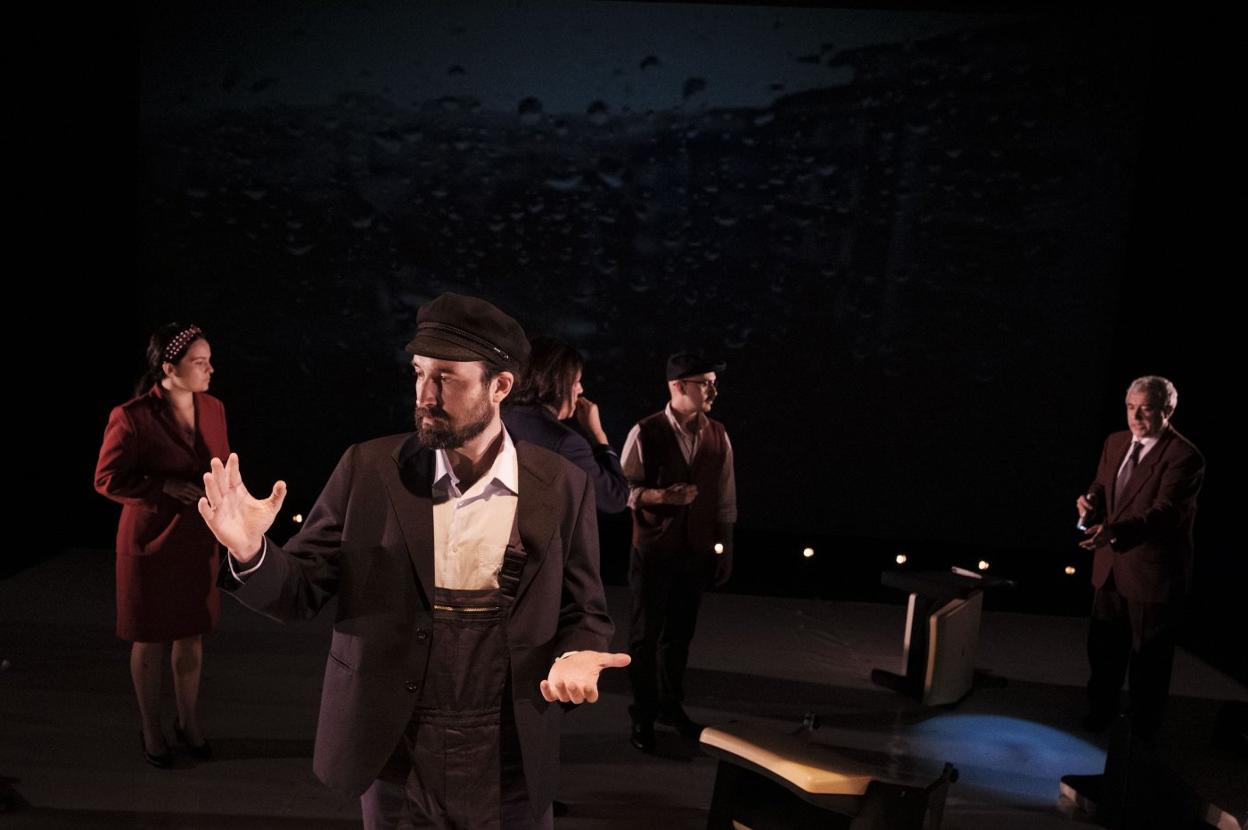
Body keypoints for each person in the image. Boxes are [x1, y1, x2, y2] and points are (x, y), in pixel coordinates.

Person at [199, 293, 628, 829]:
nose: (425, 395)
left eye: (446, 378)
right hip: (396, 752)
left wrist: (579, 653)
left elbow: (585, 610)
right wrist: (250, 551)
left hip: (511, 756)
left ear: (500, 386)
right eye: (419, 373)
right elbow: (299, 592)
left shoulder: (562, 485)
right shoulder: (368, 469)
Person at [94, 322, 227, 767]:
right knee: (149, 638)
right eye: (199, 362)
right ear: (169, 368)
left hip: (196, 540)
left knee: (191, 634)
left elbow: (223, 469)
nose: (210, 369)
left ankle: (188, 722)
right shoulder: (131, 416)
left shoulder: (214, 409)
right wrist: (162, 486)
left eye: (209, 361)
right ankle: (151, 727)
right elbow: (106, 479)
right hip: (149, 542)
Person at [1076, 375, 1204, 736]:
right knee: (1103, 648)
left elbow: (1164, 513)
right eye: (1131, 407)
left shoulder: (1184, 456)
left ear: (1168, 409)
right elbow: (1102, 484)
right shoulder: (1115, 442)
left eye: (1145, 409)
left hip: (1152, 572)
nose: (1135, 417)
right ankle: (1100, 712)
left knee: (1148, 659)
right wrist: (1090, 501)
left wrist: (1114, 532)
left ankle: (1142, 732)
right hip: (1110, 565)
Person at [620, 352, 736, 752]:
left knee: (679, 635)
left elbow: (726, 499)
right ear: (678, 386)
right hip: (654, 551)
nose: (713, 391)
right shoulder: (646, 431)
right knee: (645, 636)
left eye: (713, 384)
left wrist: (725, 548)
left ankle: (671, 707)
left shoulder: (718, 434)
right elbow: (623, 490)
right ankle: (643, 714)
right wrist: (661, 496)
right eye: (706, 384)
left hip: (695, 550)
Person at [502, 335, 628, 514]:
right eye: (576, 382)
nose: (581, 389)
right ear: (558, 384)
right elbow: (614, 498)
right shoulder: (566, 443)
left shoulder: (499, 418)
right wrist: (598, 436)